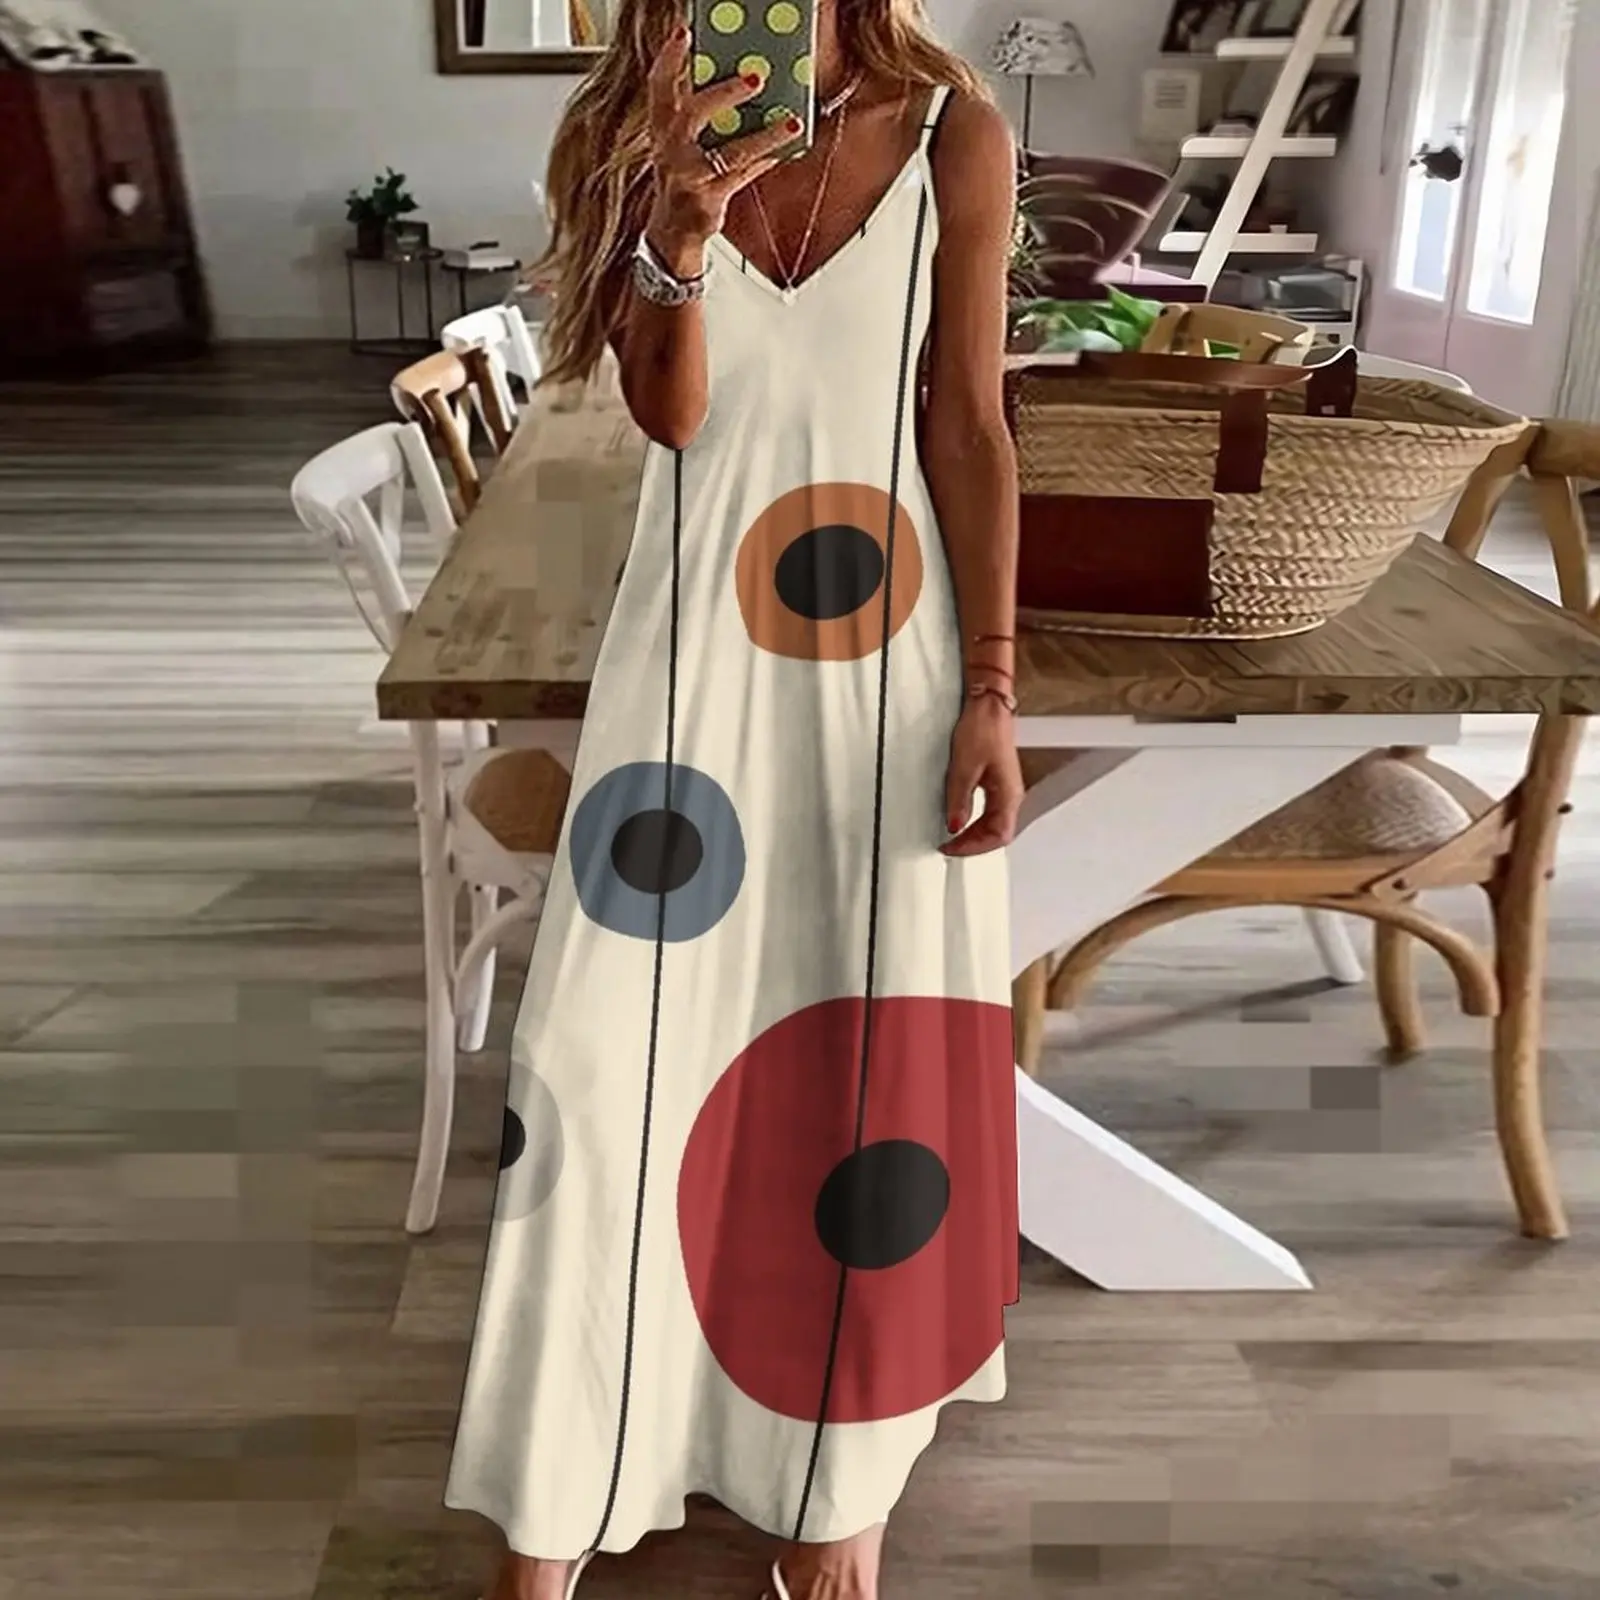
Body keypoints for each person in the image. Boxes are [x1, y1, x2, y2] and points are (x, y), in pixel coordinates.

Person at [445, 0, 1024, 1596]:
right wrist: (681, 229)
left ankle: (837, 1498)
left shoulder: (953, 134)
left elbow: (969, 423)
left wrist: (991, 687)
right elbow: (673, 417)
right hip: (686, 654)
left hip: (888, 660)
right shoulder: (644, 133)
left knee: (868, 1063)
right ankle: (559, 1489)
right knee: (594, 1067)